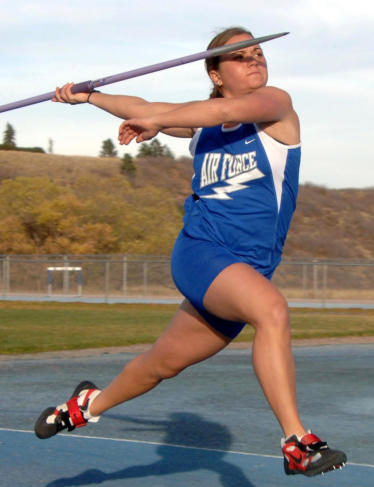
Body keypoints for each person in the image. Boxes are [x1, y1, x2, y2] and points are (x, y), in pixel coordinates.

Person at [34, 27, 347, 477]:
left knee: (161, 364)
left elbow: (210, 110)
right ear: (216, 73)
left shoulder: (275, 105)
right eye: (240, 57)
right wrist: (89, 97)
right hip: (203, 252)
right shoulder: (203, 123)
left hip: (248, 269)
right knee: (272, 311)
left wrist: (160, 121)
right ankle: (297, 441)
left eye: (258, 53)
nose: (255, 60)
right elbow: (143, 109)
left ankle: (84, 406)